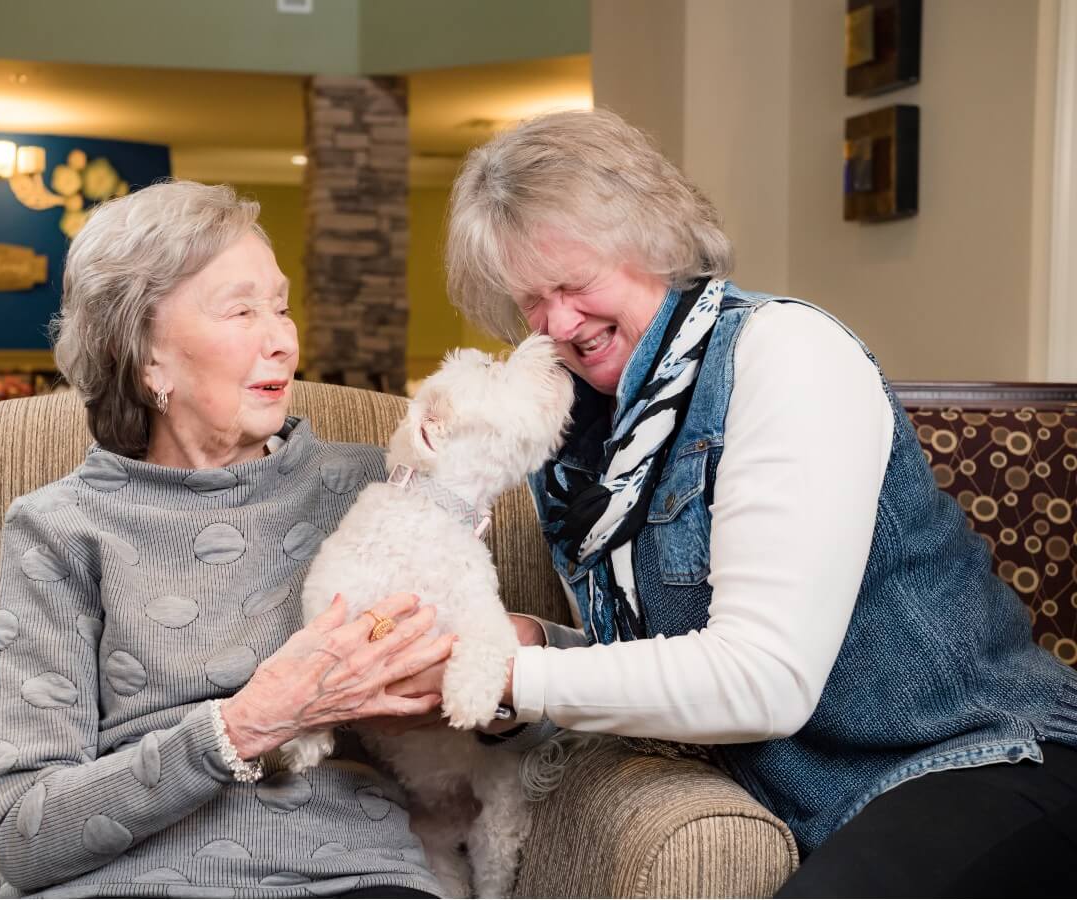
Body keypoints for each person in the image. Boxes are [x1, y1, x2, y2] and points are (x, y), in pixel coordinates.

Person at [443, 108, 1077, 895]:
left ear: (655, 240)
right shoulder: (585, 438)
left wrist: (509, 673)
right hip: (809, 796)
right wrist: (528, 645)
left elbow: (762, 679)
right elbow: (676, 656)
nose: (558, 324)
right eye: (531, 301)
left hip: (978, 757)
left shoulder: (785, 357)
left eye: (574, 283)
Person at [0, 180, 456, 899]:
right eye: (241, 310)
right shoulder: (60, 528)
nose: (282, 339)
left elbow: (518, 690)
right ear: (145, 359)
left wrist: (514, 659)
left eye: (282, 307)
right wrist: (244, 724)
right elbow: (22, 833)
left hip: (344, 878)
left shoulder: (374, 488)